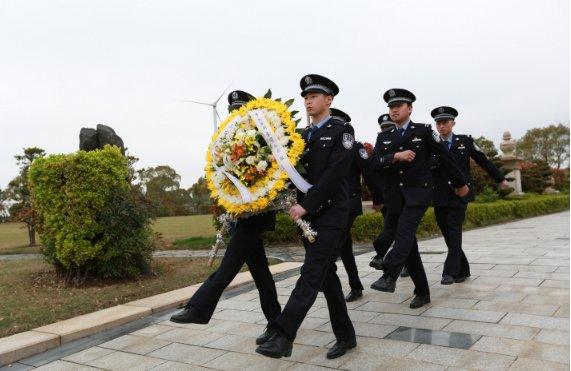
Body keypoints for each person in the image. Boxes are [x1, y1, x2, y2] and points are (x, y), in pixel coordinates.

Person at [256, 74, 356, 360]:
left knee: (311, 272)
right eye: (306, 97)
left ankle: (284, 335)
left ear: (329, 100)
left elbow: (334, 175)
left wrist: (307, 205)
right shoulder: (301, 137)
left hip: (331, 215)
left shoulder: (342, 132)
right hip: (307, 218)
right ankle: (346, 336)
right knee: (326, 278)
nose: (308, 100)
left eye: (314, 96)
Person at [170, 90, 281, 346]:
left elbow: (274, 172)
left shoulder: (262, 137)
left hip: (257, 212)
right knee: (261, 274)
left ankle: (199, 308)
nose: (236, 115)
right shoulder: (229, 142)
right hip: (239, 216)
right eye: (233, 111)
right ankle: (276, 323)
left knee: (228, 266)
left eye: (240, 110)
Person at [369, 89, 469, 309]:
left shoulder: (424, 131)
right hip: (395, 197)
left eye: (399, 106)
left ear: (410, 108)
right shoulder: (384, 136)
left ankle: (389, 275)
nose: (394, 110)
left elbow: (446, 158)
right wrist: (395, 156)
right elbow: (374, 163)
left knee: (404, 232)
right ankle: (422, 292)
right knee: (409, 248)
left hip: (418, 194)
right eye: (391, 107)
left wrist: (461, 184)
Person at [431, 106, 509, 285]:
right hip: (440, 194)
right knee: (448, 234)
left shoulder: (464, 141)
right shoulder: (432, 143)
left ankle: (449, 273)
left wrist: (499, 178)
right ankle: (463, 270)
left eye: (445, 122)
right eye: (438, 123)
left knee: (454, 230)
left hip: (460, 193)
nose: (441, 126)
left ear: (453, 123)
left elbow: (482, 160)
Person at [329, 108, 384, 302]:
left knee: (336, 240)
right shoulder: (324, 146)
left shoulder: (355, 147)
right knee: (344, 246)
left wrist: (378, 199)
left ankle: (322, 275)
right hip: (330, 203)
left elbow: (369, 173)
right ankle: (355, 285)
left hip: (349, 202)